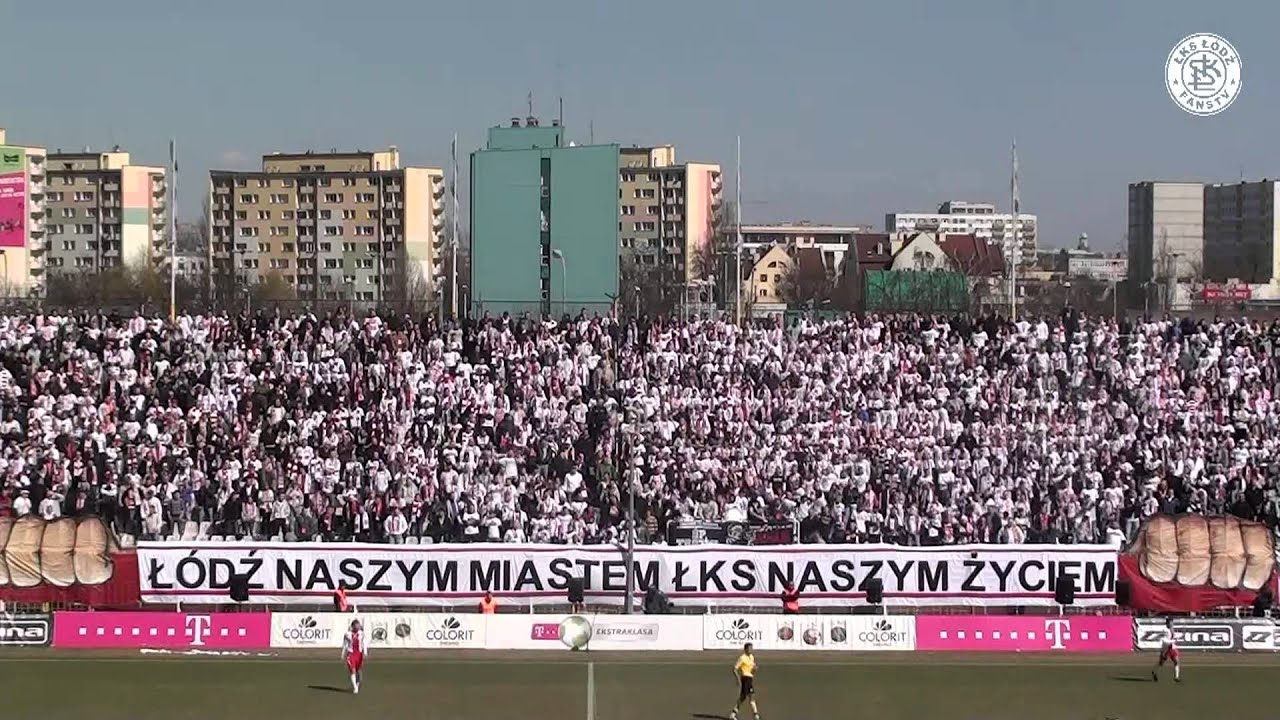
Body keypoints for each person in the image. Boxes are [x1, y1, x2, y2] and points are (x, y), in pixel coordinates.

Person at [731, 642, 760, 720]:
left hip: (750, 678)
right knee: (745, 697)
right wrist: (737, 679)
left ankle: (755, 714)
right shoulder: (742, 658)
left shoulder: (751, 657)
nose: (751, 650)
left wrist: (755, 669)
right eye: (749, 648)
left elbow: (753, 668)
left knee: (750, 696)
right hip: (745, 678)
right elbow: (734, 669)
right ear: (745, 649)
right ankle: (755, 715)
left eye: (751, 648)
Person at [342, 618, 367, 694]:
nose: (358, 627)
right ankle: (355, 688)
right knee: (352, 671)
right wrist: (343, 653)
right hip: (351, 654)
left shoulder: (362, 634)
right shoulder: (347, 634)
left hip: (359, 654)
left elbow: (364, 643)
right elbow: (345, 644)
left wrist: (365, 652)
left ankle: (358, 684)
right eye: (356, 625)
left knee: (359, 671)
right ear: (353, 626)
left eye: (358, 625)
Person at [1152, 617, 1180, 683]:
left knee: (1177, 661)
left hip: (1172, 647)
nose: (1172, 624)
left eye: (1172, 622)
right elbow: (1165, 641)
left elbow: (1173, 636)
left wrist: (1176, 637)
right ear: (1167, 623)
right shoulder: (1165, 630)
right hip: (1165, 648)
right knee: (1161, 663)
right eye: (1170, 622)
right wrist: (1173, 640)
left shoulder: (1172, 629)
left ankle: (1176, 677)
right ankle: (1154, 671)